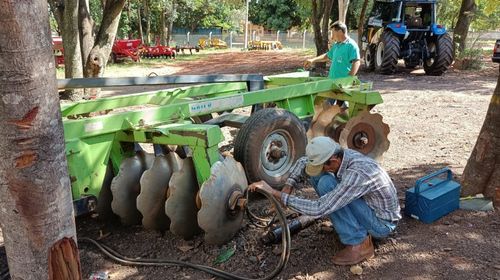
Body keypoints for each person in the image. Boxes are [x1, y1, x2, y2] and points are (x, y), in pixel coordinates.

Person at [249, 136, 401, 265]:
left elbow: (320, 208)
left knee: (326, 185)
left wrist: (275, 193)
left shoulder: (358, 174)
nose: (321, 169)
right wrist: (288, 185)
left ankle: (359, 244)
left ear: (333, 160)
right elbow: (304, 162)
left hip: (381, 224)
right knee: (319, 178)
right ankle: (351, 227)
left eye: (323, 166)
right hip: (368, 207)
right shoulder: (341, 155)